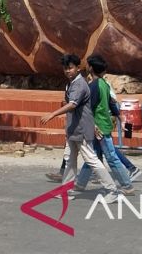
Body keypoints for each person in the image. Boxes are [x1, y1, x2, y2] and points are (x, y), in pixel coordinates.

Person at [38, 53, 124, 203]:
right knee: (70, 160)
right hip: (73, 129)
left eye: (70, 68)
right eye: (65, 69)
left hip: (82, 129)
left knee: (92, 160)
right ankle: (67, 190)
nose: (67, 71)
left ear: (78, 68)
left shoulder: (80, 84)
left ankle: (112, 189)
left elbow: (72, 104)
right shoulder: (71, 83)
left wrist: (52, 114)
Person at [74, 55, 134, 192]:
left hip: (99, 128)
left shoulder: (93, 87)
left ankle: (127, 185)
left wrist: (93, 126)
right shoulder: (104, 85)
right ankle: (81, 183)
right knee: (92, 156)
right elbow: (112, 104)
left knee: (111, 157)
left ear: (91, 68)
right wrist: (120, 118)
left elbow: (89, 108)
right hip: (102, 126)